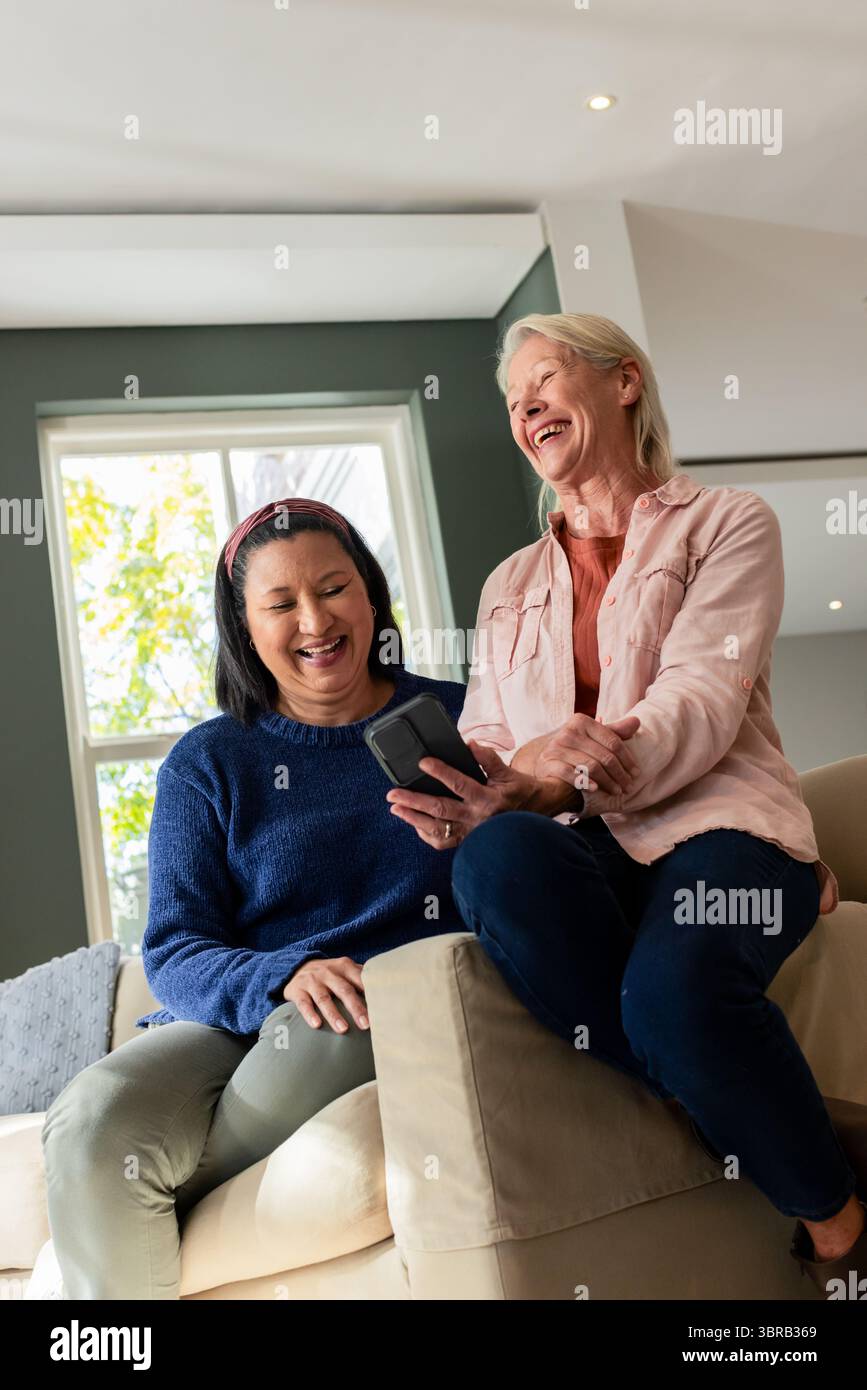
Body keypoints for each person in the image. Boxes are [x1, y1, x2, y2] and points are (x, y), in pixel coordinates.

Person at [386, 311, 867, 1297]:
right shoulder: (507, 585)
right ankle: (751, 1111)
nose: (524, 409)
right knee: (492, 860)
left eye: (545, 380)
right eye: (511, 401)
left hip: (719, 827)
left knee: (671, 997)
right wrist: (477, 789)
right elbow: (487, 733)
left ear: (624, 383)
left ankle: (841, 1226)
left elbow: (698, 702)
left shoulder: (727, 524)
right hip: (581, 851)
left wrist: (560, 772)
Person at [42, 497, 468, 1299]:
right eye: (280, 604)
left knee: (342, 1018)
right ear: (244, 630)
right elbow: (173, 947)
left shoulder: (463, 719)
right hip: (228, 1021)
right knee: (94, 1122)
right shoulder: (207, 763)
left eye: (334, 588)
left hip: (367, 1011)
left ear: (370, 595)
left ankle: (144, 1199)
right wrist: (280, 974)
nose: (315, 619)